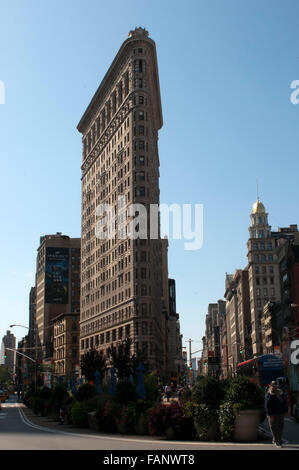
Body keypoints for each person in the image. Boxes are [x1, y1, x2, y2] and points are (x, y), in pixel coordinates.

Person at [265, 380, 288, 448]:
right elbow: (267, 405)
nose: (274, 387)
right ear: (271, 386)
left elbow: (284, 402)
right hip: (272, 414)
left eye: (275, 385)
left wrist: (285, 411)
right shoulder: (269, 394)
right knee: (274, 428)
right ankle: (276, 441)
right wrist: (269, 414)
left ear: (277, 386)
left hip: (280, 412)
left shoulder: (280, 393)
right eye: (273, 386)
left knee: (280, 427)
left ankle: (278, 440)